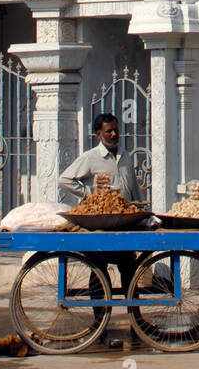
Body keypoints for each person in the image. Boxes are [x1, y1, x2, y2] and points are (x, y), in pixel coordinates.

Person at [59, 113, 143, 300]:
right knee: (98, 270)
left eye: (116, 130)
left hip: (124, 224)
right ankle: (99, 321)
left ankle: (136, 321)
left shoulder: (125, 155)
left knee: (129, 269)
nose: (114, 134)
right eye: (108, 131)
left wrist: (141, 211)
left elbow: (134, 187)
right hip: (98, 225)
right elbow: (64, 179)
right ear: (99, 135)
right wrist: (89, 193)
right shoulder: (90, 158)